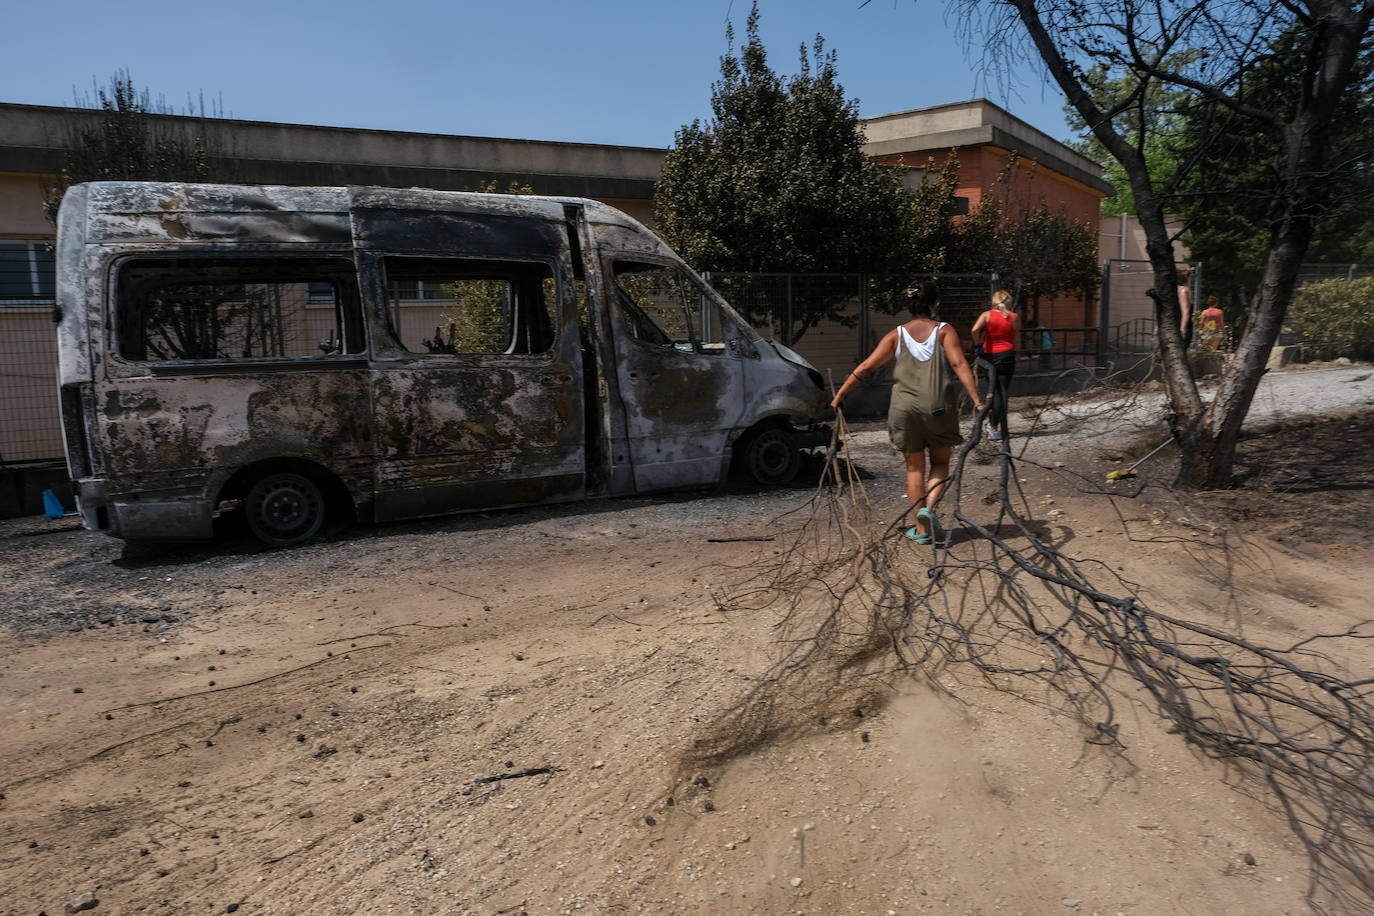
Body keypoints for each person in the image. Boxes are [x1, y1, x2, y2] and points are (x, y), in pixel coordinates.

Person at [831, 280, 985, 545]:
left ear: (909, 305)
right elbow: (959, 363)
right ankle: (929, 510)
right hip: (938, 407)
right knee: (939, 463)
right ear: (935, 304)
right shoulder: (944, 331)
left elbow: (867, 366)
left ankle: (922, 531)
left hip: (903, 410)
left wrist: (840, 394)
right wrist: (978, 401)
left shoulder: (896, 335)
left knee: (914, 469)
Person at [971, 289, 1020, 441]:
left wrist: (978, 343)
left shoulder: (986, 315)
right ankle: (994, 426)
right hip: (1007, 356)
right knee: (1002, 392)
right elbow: (1016, 339)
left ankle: (989, 425)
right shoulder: (1014, 317)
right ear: (1008, 301)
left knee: (992, 391)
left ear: (994, 301)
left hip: (989, 357)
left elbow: (974, 330)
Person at [1177, 266, 1194, 350]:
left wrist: (1182, 331)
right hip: (1178, 327)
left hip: (1182, 328)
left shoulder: (1183, 290)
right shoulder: (1179, 290)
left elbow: (1186, 312)